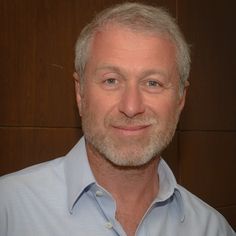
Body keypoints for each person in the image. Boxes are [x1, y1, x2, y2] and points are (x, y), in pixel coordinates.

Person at [0, 2, 235, 236]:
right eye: (111, 80)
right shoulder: (9, 211)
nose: (131, 107)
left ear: (180, 99)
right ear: (80, 93)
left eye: (152, 83)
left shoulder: (212, 229)